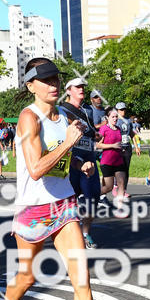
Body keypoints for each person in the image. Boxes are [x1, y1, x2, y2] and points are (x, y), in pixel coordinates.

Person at [0, 57, 117, 300]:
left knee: (82, 278)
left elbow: (60, 162)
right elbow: (36, 169)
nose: (53, 85)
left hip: (63, 206)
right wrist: (70, 144)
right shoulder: (28, 119)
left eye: (56, 80)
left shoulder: (63, 116)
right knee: (28, 277)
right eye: (46, 80)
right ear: (30, 85)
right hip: (33, 211)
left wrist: (79, 165)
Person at [59, 76, 102, 250]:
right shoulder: (62, 110)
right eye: (77, 87)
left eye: (83, 87)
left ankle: (85, 233)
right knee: (70, 200)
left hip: (89, 157)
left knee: (93, 198)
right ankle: (68, 236)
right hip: (73, 159)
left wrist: (95, 134)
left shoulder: (87, 111)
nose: (81, 89)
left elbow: (91, 132)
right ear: (69, 91)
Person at [98, 109, 126, 202]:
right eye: (112, 117)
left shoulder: (118, 129)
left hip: (118, 160)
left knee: (121, 183)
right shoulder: (104, 129)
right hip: (107, 161)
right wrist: (112, 146)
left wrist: (121, 148)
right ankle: (90, 196)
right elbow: (97, 145)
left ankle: (120, 208)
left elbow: (118, 143)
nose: (115, 119)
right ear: (107, 117)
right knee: (109, 187)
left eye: (116, 116)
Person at [115, 102, 141, 196]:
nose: (123, 111)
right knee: (118, 168)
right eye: (121, 110)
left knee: (126, 169)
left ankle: (124, 190)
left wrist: (137, 147)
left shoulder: (128, 121)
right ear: (117, 110)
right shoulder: (115, 120)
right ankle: (115, 186)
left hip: (127, 147)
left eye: (124, 109)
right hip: (118, 147)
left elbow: (132, 134)